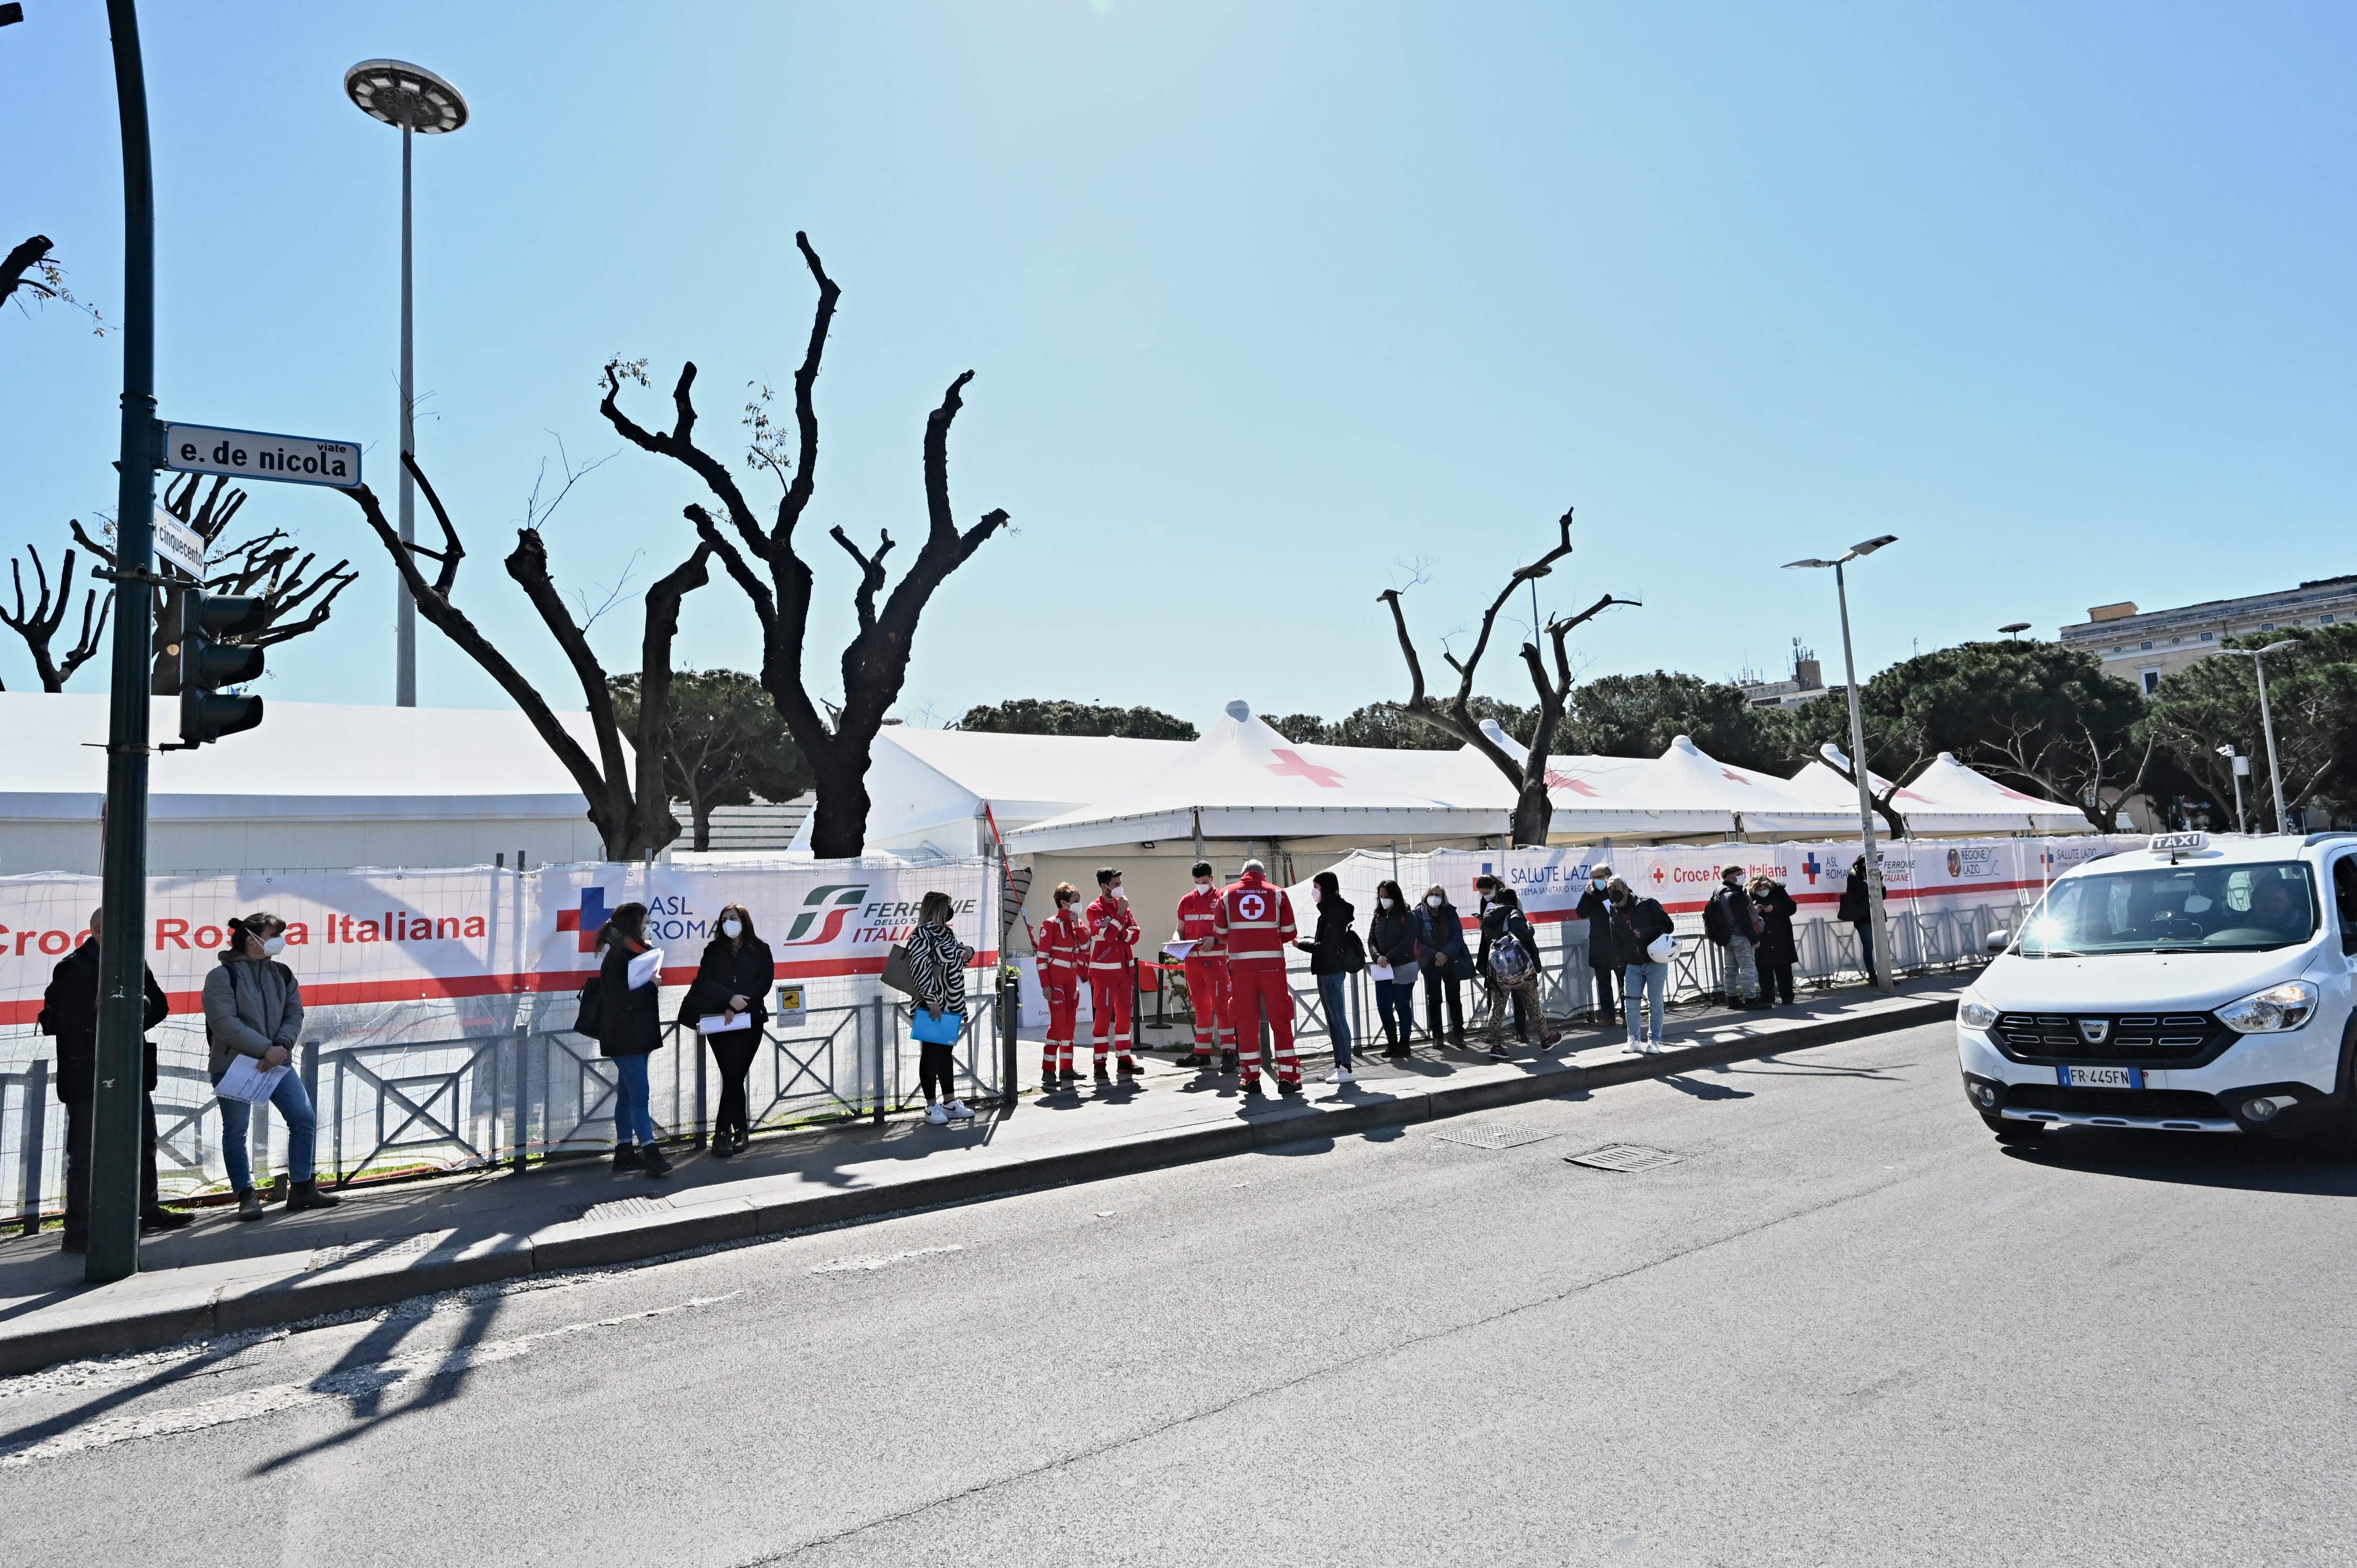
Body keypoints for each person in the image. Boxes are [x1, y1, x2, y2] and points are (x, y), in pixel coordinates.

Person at [40, 908, 188, 1252]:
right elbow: (58, 1018)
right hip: (87, 1072)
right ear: (100, 930)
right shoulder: (73, 967)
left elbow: (160, 1005)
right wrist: (101, 1013)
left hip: (131, 1068)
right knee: (86, 1152)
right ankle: (79, 1229)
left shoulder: (135, 961)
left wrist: (139, 1007)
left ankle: (146, 1210)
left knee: (144, 1141)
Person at [204, 911, 339, 1217]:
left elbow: (295, 1014)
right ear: (251, 941)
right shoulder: (221, 977)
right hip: (234, 1065)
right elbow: (224, 1023)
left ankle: (303, 1187)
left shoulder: (282, 974)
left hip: (277, 1061)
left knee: (303, 1117)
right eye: (272, 936)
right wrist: (265, 1048)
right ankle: (246, 1195)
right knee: (236, 1131)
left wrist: (280, 1047)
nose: (280, 942)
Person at [679, 902, 773, 1156]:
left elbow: (765, 981)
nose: (728, 923)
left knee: (735, 1076)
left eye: (733, 918)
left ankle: (724, 1134)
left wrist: (742, 1002)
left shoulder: (761, 949)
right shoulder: (713, 950)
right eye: (724, 919)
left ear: (744, 920)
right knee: (732, 1076)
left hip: (750, 1019)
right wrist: (728, 999)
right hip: (720, 1021)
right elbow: (704, 982)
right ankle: (738, 1132)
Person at [593, 900, 671, 1176]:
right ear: (632, 926)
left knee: (627, 1094)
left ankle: (624, 1151)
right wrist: (651, 985)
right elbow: (621, 1002)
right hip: (625, 1037)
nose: (647, 928)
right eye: (644, 923)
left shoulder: (632, 954)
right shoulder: (617, 959)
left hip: (637, 1035)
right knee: (640, 1095)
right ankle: (651, 1153)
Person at [1215, 857, 1302, 1095]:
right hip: (1272, 968)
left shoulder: (1226, 895)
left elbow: (1221, 934)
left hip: (1242, 969)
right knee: (1281, 1019)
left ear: (1243, 873)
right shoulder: (1277, 894)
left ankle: (1251, 1078)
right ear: (1262, 874)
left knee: (1245, 1021)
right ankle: (1288, 1078)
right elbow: (1289, 933)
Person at [907, 891, 977, 1124]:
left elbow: (953, 961)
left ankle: (949, 1102)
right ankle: (930, 1106)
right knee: (930, 1054)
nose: (950, 910)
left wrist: (967, 953)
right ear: (937, 908)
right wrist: (931, 999)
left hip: (952, 1002)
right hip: (933, 1004)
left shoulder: (946, 933)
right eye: (947, 906)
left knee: (945, 1052)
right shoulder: (922, 934)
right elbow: (919, 967)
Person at [1295, 870, 1363, 1084]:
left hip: (1332, 970)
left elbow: (1327, 947)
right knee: (1332, 1020)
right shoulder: (1328, 911)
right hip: (1325, 970)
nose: (1314, 892)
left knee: (1338, 1019)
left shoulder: (1335, 913)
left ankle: (1346, 1067)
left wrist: (1302, 944)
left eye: (1317, 887)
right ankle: (1338, 1064)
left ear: (1326, 889)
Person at [1479, 887, 1559, 1055]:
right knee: (1533, 1005)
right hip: (1520, 968)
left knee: (1497, 1008)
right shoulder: (1514, 914)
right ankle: (1545, 1039)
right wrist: (1530, 928)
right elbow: (1522, 935)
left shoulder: (1489, 918)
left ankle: (1495, 1046)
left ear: (1497, 901)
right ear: (1514, 901)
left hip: (1498, 970)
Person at [1084, 867, 1144, 1081]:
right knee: (1103, 1017)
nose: (1120, 888)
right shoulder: (1095, 909)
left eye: (1120, 883)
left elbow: (1135, 934)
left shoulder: (1124, 907)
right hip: (1104, 972)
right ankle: (1100, 1063)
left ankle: (1124, 1060)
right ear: (1105, 886)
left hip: (1125, 971)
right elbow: (1108, 937)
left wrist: (1120, 927)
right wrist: (1119, 917)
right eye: (1116, 884)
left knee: (1124, 1016)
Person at [1173, 862, 1231, 1069]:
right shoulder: (1186, 901)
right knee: (1201, 1008)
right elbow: (1180, 929)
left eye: (1205, 882)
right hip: (1193, 962)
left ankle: (1228, 1052)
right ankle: (1202, 1052)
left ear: (1212, 878)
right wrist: (1177, 942)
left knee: (1222, 1006)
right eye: (1197, 883)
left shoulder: (1222, 900)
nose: (1201, 886)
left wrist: (1215, 941)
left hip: (1215, 961)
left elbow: (1231, 932)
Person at [1610, 878, 1675, 1053]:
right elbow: (1616, 940)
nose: (1612, 891)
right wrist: (1620, 965)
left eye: (1615, 887)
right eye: (1609, 889)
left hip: (1655, 961)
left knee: (1655, 1002)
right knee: (1631, 1002)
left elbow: (1668, 926)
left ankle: (1654, 1040)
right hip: (1632, 964)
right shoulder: (1614, 912)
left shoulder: (1647, 904)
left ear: (1626, 889)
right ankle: (1633, 1039)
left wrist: (1647, 933)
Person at [1034, 884, 1088, 1087]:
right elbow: (1041, 959)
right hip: (1056, 981)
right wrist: (1045, 985)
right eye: (1076, 901)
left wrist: (1078, 926)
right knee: (1058, 1024)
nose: (1079, 904)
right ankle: (1048, 1070)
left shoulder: (1077, 924)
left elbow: (1086, 947)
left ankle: (1067, 1068)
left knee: (1070, 1024)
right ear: (1064, 903)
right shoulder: (1049, 925)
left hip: (1071, 981)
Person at [1366, 878, 1420, 1058]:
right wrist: (1378, 957)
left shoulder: (1408, 916)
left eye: (1386, 896)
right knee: (1383, 1006)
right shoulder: (1378, 916)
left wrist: (1389, 958)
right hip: (1382, 968)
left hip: (1403, 967)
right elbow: (1371, 940)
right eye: (1381, 896)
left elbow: (1408, 941)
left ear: (1395, 896)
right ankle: (1392, 1042)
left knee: (1402, 1005)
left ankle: (1405, 1043)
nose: (1383, 899)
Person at [1414, 884, 1471, 1046]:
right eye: (1432, 894)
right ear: (1426, 896)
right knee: (1434, 999)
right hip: (1430, 962)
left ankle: (1458, 1034)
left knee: (1454, 998)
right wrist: (1435, 955)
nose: (1435, 897)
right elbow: (1417, 940)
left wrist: (1445, 954)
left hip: (1450, 960)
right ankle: (1437, 1036)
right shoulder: (1418, 914)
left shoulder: (1450, 912)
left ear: (1443, 897)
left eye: (1438, 895)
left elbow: (1457, 937)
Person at [1704, 866, 1763, 1008]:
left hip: (1727, 937)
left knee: (1730, 970)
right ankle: (1751, 999)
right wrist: (1754, 939)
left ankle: (1732, 999)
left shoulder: (1719, 891)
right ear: (1728, 876)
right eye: (1738, 874)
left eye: (1742, 873)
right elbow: (1744, 921)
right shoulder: (1736, 895)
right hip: (1741, 937)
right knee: (1747, 968)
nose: (1742, 876)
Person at [1573, 863, 1621, 1027]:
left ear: (1608, 876)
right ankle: (1608, 1015)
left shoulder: (1617, 891)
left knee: (1624, 981)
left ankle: (1628, 1015)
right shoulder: (1591, 895)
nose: (1595, 881)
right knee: (1603, 982)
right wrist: (1587, 895)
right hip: (1599, 946)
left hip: (1618, 944)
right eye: (1593, 877)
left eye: (1599, 877)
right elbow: (1581, 913)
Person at [1749, 874, 1799, 1007]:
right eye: (1759, 888)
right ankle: (1767, 998)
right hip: (1763, 936)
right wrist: (1756, 911)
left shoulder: (1779, 892)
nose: (1762, 890)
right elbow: (1747, 914)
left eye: (1764, 887)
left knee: (1784, 968)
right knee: (1764, 969)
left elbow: (1792, 908)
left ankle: (1787, 997)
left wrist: (1775, 908)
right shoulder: (1750, 896)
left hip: (1781, 935)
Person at [1840, 856, 1879, 985]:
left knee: (1884, 946)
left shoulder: (1875, 875)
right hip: (1862, 917)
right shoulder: (1854, 876)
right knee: (1869, 945)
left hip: (1877, 915)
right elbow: (1855, 895)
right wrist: (1868, 886)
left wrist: (1881, 884)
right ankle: (1872, 975)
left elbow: (1882, 896)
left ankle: (1885, 974)